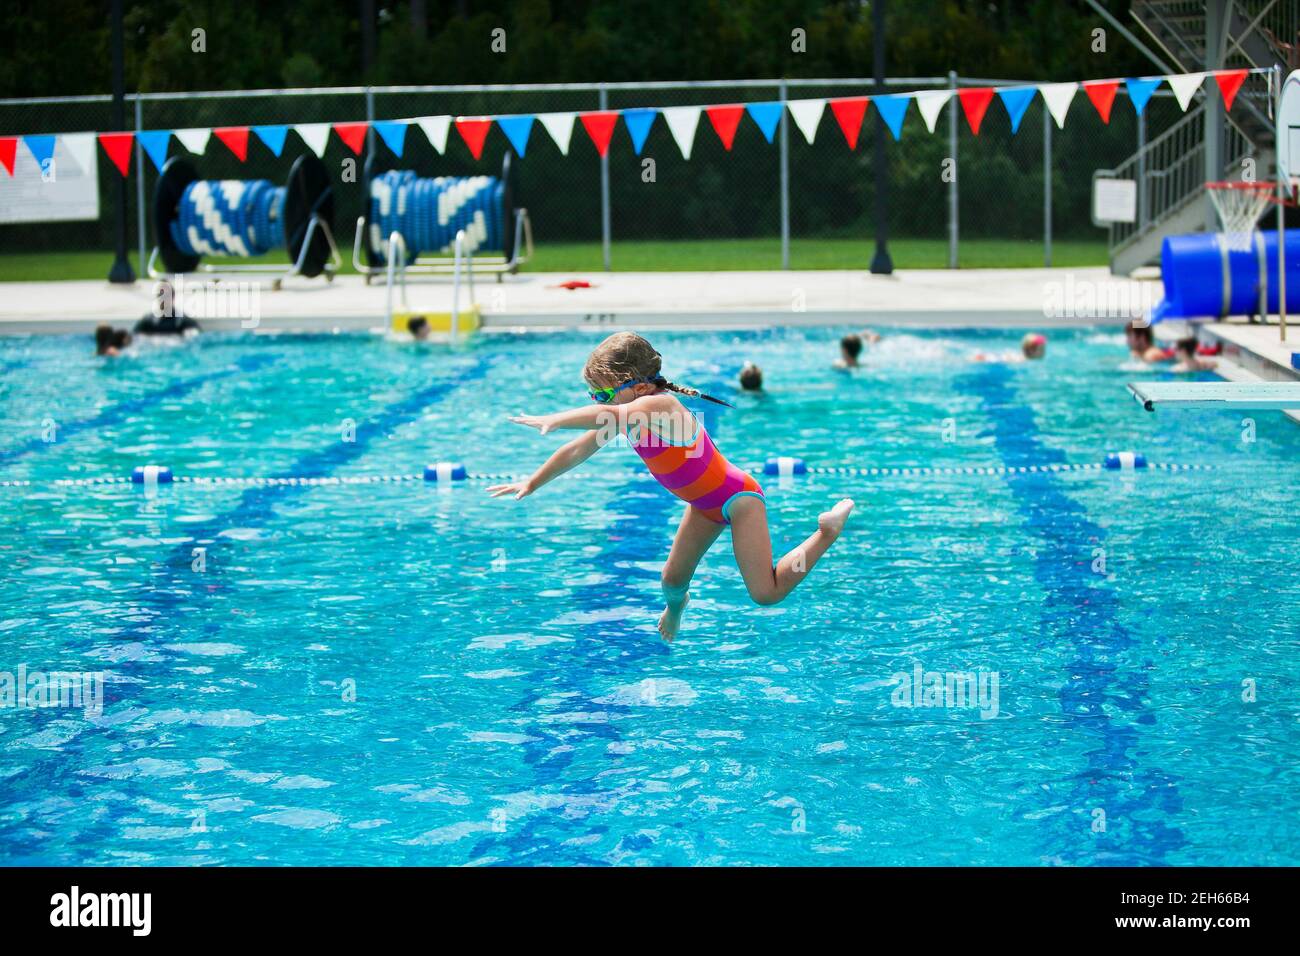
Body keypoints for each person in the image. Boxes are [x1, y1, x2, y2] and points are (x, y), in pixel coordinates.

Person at [489, 331, 854, 642]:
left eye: (602, 393)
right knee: (672, 581)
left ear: (642, 386)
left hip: (739, 500)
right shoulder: (627, 413)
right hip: (703, 506)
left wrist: (554, 418)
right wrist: (533, 482)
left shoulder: (662, 407)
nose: (599, 402)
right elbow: (578, 449)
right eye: (593, 396)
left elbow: (611, 414)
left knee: (766, 593)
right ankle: (677, 610)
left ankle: (826, 532)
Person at [970, 332, 1046, 363]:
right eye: (1042, 348)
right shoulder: (1020, 360)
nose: (1044, 350)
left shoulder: (1021, 358)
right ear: (1032, 349)